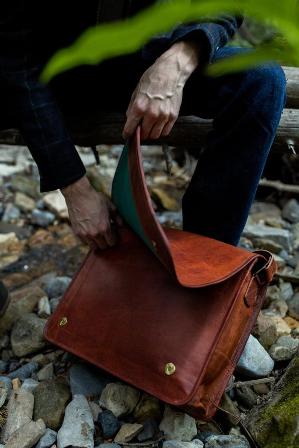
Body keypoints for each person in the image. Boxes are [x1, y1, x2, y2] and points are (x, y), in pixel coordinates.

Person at [0, 1, 286, 306]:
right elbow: (16, 61)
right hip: (48, 71)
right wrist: (76, 190)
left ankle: (204, 271)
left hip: (142, 60)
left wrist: (178, 60)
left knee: (261, 80)